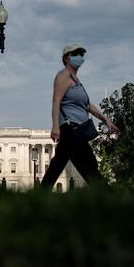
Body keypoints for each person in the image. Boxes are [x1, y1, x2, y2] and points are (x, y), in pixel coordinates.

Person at [40, 43, 118, 189]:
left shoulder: (76, 80)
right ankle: (107, 196)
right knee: (88, 165)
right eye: (75, 54)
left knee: (67, 164)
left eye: (81, 54)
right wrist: (55, 126)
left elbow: (87, 105)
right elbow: (56, 100)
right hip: (70, 129)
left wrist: (106, 120)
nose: (79, 57)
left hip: (77, 130)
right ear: (66, 58)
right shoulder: (63, 76)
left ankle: (39, 195)